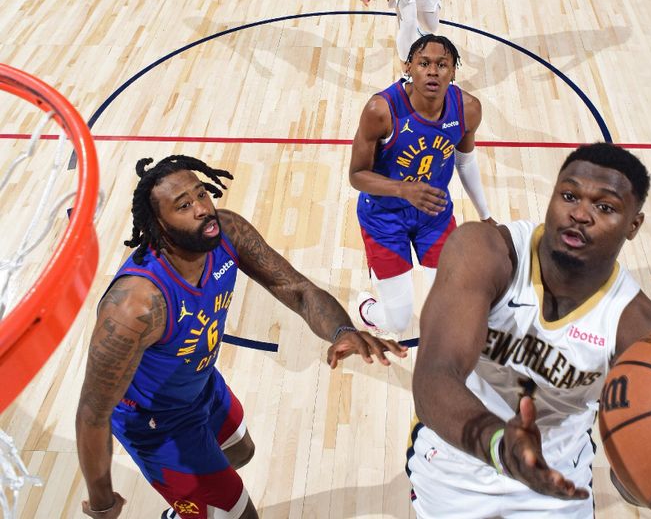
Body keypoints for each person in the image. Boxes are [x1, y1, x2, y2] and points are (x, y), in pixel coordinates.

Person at [408, 142, 651, 517]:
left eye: (605, 206)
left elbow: (634, 479)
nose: (580, 214)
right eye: (569, 196)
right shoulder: (486, 252)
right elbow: (434, 375)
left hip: (556, 480)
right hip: (457, 453)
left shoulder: (638, 327)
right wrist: (499, 445)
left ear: (634, 225)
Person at [75, 155, 406, 519]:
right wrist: (102, 503)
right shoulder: (135, 307)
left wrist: (343, 331)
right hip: (156, 423)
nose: (202, 209)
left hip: (198, 386)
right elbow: (92, 415)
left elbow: (295, 288)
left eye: (201, 194)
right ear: (159, 224)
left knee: (240, 451)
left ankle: (195, 509)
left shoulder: (226, 232)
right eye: (184, 205)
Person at [349, 34, 494, 336]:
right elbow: (357, 175)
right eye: (423, 63)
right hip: (384, 217)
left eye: (442, 64)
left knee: (448, 309)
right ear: (409, 68)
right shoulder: (381, 110)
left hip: (434, 215)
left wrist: (485, 215)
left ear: (454, 71)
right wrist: (404, 189)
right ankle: (365, 308)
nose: (432, 71)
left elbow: (465, 162)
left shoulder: (468, 109)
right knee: (397, 323)